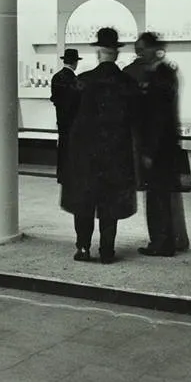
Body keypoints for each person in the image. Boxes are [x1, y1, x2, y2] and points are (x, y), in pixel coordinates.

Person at [61, 28, 140, 264]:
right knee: (110, 204)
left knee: (84, 202)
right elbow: (135, 120)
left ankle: (83, 247)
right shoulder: (127, 83)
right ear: (116, 54)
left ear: (98, 53)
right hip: (116, 154)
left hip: (85, 153)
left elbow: (68, 117)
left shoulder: (83, 81)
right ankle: (107, 250)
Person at [125, 32, 185, 257]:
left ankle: (161, 242)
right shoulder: (165, 72)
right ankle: (163, 240)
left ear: (152, 48)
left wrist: (149, 150)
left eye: (142, 48)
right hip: (164, 145)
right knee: (159, 194)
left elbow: (158, 116)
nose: (139, 53)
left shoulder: (160, 74)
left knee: (157, 196)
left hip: (158, 148)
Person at [50, 48, 81, 185]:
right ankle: (70, 174)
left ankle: (61, 174)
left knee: (62, 146)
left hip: (61, 118)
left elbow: (54, 99)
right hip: (73, 120)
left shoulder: (56, 77)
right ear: (75, 63)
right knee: (72, 148)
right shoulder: (74, 79)